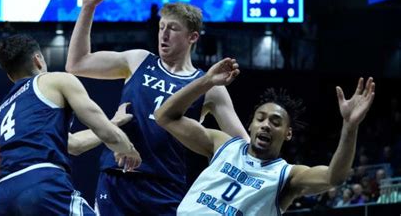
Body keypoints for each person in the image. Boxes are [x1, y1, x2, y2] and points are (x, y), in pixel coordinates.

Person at [66, 0, 249, 215]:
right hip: (118, 178)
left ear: (192, 37)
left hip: (165, 186)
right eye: (161, 27)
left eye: (173, 29)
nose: (163, 35)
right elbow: (77, 63)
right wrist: (89, 7)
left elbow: (242, 147)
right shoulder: (139, 59)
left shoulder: (209, 85)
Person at [155, 58, 375, 215]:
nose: (266, 125)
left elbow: (333, 178)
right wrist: (207, 81)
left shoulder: (287, 176)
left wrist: (350, 126)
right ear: (250, 124)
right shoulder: (223, 144)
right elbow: (165, 117)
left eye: (275, 122)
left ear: (288, 133)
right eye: (261, 118)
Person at [0, 34, 141, 215]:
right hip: (41, 183)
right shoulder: (55, 80)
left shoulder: (4, 107)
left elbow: (73, 145)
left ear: (10, 75)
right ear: (38, 59)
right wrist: (127, 148)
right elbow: (104, 131)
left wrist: (114, 123)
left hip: (2, 195)